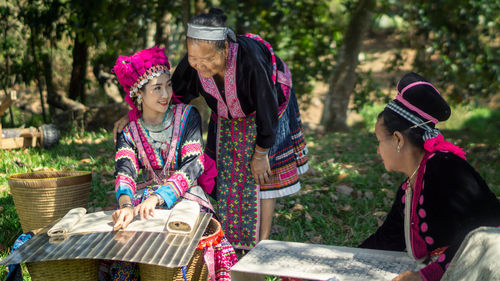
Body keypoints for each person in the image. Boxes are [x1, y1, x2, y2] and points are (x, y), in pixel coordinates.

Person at [172, 8, 309, 250]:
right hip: (227, 115)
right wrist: (134, 115)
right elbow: (173, 95)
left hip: (269, 106)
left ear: (224, 49)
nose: (200, 66)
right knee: (225, 171)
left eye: (208, 59)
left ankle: (262, 242)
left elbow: (267, 106)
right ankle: (230, 238)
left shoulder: (251, 62)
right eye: (194, 59)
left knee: (264, 173)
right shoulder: (194, 63)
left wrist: (261, 153)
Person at [102, 46, 237, 281]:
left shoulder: (188, 116)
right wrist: (124, 205)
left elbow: (193, 164)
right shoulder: (129, 131)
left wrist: (159, 197)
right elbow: (125, 172)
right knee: (126, 233)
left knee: (195, 225)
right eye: (157, 88)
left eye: (168, 85)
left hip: (185, 193)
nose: (165, 94)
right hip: (143, 198)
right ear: (138, 94)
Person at [359, 72, 500, 281]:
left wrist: (426, 275)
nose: (378, 151)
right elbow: (389, 238)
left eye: (379, 141)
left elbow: (486, 228)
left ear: (398, 139)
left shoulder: (447, 168)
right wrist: (345, 263)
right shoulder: (411, 185)